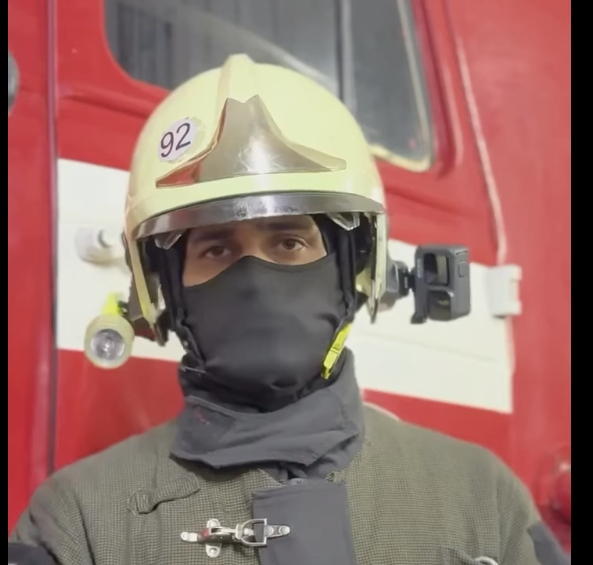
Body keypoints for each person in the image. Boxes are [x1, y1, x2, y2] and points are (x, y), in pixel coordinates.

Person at [9, 55, 569, 565]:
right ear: (165, 289)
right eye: (216, 248)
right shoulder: (77, 525)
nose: (255, 280)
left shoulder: (485, 504)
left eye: (289, 242)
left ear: (356, 267)